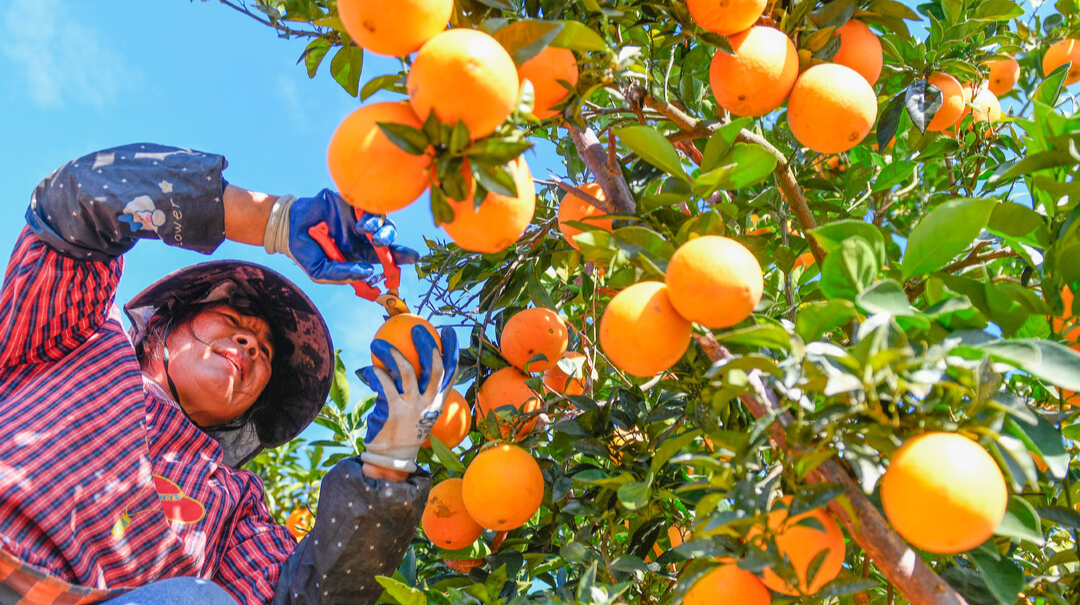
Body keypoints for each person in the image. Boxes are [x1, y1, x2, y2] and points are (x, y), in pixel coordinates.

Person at [0, 144, 458, 605]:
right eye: (234, 322)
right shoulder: (78, 338)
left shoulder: (233, 502)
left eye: (264, 354)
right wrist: (272, 220)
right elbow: (79, 202)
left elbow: (307, 596)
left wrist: (391, 459)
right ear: (165, 324)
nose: (250, 346)